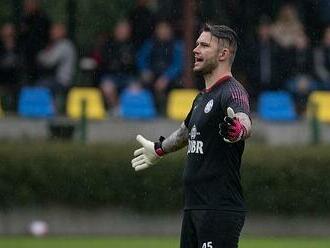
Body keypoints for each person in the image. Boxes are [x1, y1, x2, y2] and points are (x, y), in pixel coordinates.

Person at [131, 24, 252, 248]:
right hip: (194, 208)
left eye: (204, 45)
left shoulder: (232, 91)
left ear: (223, 54)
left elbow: (244, 119)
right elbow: (186, 132)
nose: (196, 50)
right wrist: (159, 149)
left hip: (218, 209)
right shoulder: (202, 98)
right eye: (196, 44)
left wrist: (238, 130)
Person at [137, 20, 184, 112]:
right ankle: (149, 109)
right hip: (153, 74)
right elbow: (141, 59)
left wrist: (167, 77)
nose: (163, 32)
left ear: (170, 30)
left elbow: (178, 65)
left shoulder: (176, 45)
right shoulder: (150, 44)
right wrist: (145, 71)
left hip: (171, 78)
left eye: (165, 29)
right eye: (160, 29)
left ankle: (165, 109)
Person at [37, 23, 76, 112]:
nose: (52, 33)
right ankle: (51, 108)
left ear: (62, 32)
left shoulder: (65, 45)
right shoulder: (58, 44)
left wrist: (40, 56)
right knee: (43, 82)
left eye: (55, 31)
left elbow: (49, 61)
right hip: (57, 79)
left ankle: (51, 110)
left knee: (41, 84)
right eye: (52, 31)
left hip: (63, 81)